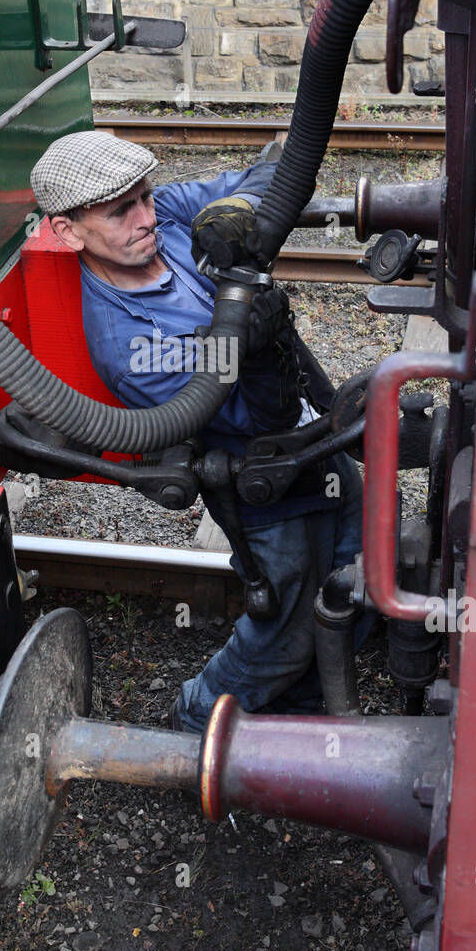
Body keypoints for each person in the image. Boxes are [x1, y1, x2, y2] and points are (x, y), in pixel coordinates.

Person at [30, 129, 365, 733]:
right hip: (270, 488)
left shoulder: (163, 218)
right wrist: (255, 350)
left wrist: (241, 208)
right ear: (66, 230)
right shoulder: (129, 345)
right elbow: (259, 417)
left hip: (322, 447)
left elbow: (252, 186)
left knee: (360, 589)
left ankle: (297, 711)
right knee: (284, 638)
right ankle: (194, 719)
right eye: (120, 210)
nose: (145, 217)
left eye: (146, 196)